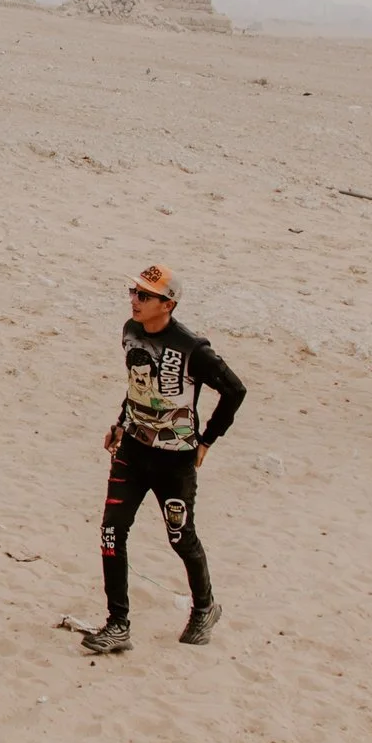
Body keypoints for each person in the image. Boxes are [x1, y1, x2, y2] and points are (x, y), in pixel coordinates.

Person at [81, 264, 246, 656]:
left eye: (144, 295)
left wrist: (206, 440)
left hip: (175, 461)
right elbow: (138, 385)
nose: (134, 300)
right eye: (133, 292)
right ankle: (117, 624)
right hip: (133, 452)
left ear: (167, 304)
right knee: (110, 532)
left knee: (180, 537)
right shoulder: (131, 331)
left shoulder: (193, 349)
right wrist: (121, 421)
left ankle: (204, 607)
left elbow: (235, 391)